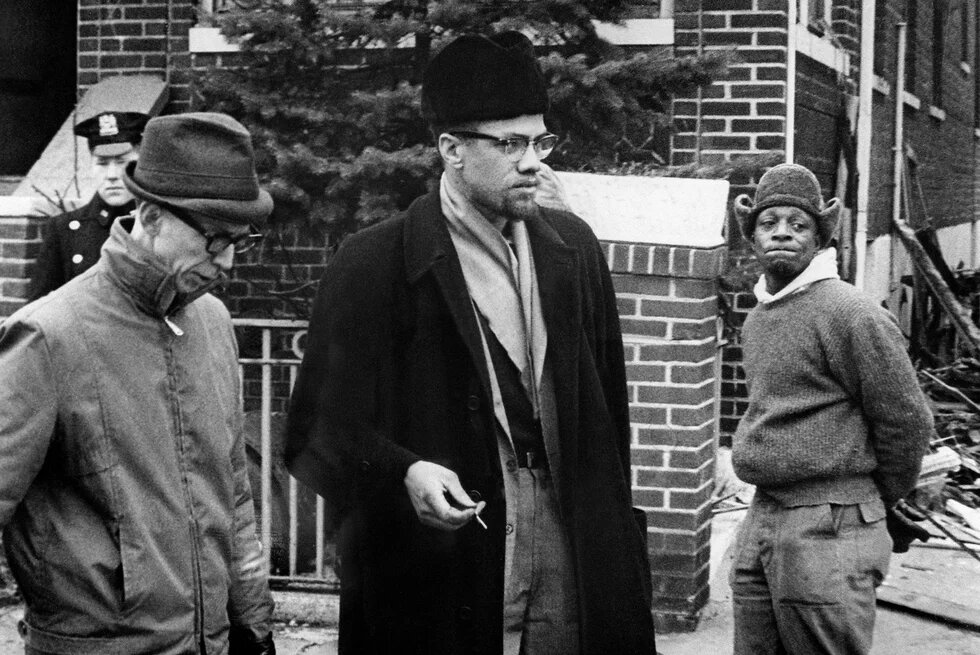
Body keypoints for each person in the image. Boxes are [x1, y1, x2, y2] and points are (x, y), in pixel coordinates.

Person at [285, 31, 657, 655]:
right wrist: (404, 471)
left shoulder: (572, 251)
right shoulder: (375, 262)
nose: (533, 162)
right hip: (442, 570)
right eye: (510, 144)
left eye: (540, 142)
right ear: (452, 149)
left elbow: (610, 430)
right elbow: (316, 431)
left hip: (570, 551)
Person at [0, 112, 276, 655]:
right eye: (215, 239)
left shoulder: (213, 321)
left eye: (241, 241)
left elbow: (234, 492)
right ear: (150, 216)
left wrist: (254, 624)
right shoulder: (48, 335)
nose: (227, 261)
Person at [729, 163, 934, 655]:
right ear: (752, 237)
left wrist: (865, 502)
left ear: (819, 237)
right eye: (769, 222)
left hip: (830, 522)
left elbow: (907, 421)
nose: (781, 232)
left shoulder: (850, 312)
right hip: (763, 513)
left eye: (797, 224)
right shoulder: (759, 318)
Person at [29, 104, 155, 300]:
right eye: (102, 163)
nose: (111, 175)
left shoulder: (158, 226)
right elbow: (38, 307)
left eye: (121, 161)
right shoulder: (63, 230)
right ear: (91, 166)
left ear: (140, 164)